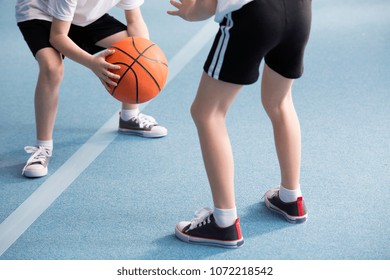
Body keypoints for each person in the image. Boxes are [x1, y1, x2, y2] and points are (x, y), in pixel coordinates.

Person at [168, 0, 312, 248]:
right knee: (280, 102)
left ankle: (223, 222)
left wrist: (192, 12)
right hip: (299, 12)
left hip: (256, 14)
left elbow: (210, 3)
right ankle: (290, 197)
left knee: (207, 112)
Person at [16, 0, 167, 178]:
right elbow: (57, 37)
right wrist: (91, 63)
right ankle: (43, 147)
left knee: (129, 48)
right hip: (41, 14)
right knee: (52, 68)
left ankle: (129, 116)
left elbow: (135, 21)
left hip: (83, 17)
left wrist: (143, 59)